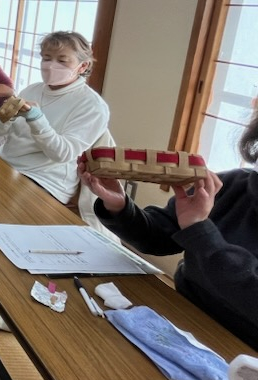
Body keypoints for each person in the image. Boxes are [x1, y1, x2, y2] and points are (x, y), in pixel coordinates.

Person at [78, 106, 258, 351]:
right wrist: (118, 206)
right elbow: (159, 237)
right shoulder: (233, 185)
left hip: (242, 349)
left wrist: (199, 230)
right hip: (180, 311)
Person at [0, 31, 109, 207]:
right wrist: (6, 115)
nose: (51, 66)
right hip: (5, 164)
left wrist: (36, 119)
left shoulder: (92, 106)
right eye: (46, 58)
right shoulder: (32, 89)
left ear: (82, 66)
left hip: (45, 180)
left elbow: (63, 153)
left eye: (62, 60)